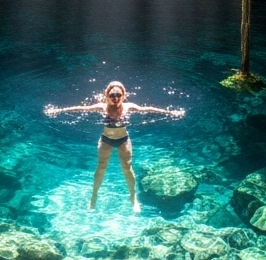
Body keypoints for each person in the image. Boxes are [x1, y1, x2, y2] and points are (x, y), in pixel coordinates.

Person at [45, 81, 184, 213]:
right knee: (101, 167)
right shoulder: (102, 107)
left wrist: (170, 113)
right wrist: (59, 110)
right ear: (107, 96)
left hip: (123, 140)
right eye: (112, 95)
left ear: (123, 95)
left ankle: (133, 197)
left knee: (127, 168)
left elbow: (147, 109)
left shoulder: (128, 107)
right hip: (106, 140)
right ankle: (94, 196)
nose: (115, 98)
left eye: (118, 95)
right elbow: (81, 108)